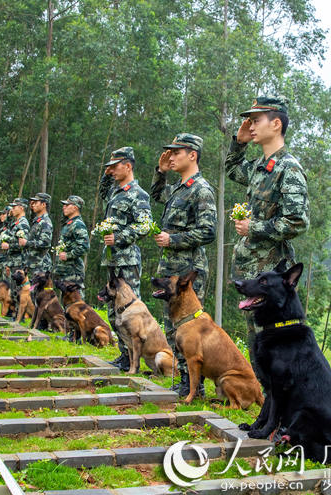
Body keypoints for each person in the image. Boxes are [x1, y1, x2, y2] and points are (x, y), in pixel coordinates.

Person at [226, 96, 309, 374]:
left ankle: (282, 412)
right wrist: (238, 143)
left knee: (275, 346)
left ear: (276, 124)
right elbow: (232, 169)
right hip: (253, 270)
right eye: (249, 121)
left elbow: (297, 221)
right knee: (257, 343)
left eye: (256, 120)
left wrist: (255, 228)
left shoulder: (289, 167)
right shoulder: (260, 165)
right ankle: (268, 411)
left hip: (272, 274)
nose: (250, 125)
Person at [152, 133, 217, 396]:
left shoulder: (201, 189)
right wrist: (160, 171)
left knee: (190, 329)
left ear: (193, 155)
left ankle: (195, 386)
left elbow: (209, 231)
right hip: (170, 269)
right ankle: (182, 382)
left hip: (189, 270)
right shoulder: (179, 188)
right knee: (172, 328)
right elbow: (156, 194)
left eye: (177, 152)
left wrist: (173, 239)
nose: (172, 156)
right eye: (170, 152)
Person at [100, 147, 153, 370]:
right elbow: (103, 193)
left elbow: (145, 225)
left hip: (127, 261)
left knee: (131, 313)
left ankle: (136, 360)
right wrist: (106, 175)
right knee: (113, 313)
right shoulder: (115, 192)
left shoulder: (138, 194)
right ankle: (124, 355)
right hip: (112, 260)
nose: (111, 171)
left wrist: (119, 236)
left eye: (115, 166)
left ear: (128, 166)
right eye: (109, 167)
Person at [54, 195, 90, 298]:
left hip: (73, 270)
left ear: (75, 207)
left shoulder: (78, 224)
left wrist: (68, 255)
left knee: (76, 300)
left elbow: (84, 246)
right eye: (63, 205)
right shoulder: (68, 223)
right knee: (66, 300)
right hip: (66, 269)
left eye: (67, 205)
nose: (63, 207)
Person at [0, 198, 31, 313]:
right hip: (13, 261)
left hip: (19, 261)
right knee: (13, 289)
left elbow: (23, 244)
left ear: (21, 208)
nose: (12, 209)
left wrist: (9, 246)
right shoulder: (15, 222)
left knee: (18, 290)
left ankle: (19, 315)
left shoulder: (23, 223)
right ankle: (13, 312)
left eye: (14, 207)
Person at [23, 192, 53, 281]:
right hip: (33, 264)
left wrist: (27, 243)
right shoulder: (38, 220)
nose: (33, 205)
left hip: (41, 266)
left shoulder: (45, 222)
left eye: (36, 203)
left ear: (43, 204)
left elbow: (45, 243)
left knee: (38, 294)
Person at [0, 206, 12, 284]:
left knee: (7, 281)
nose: (1, 216)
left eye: (4, 214)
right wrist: (1, 222)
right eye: (1, 214)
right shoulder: (3, 226)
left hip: (8, 258)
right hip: (2, 257)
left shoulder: (11, 226)